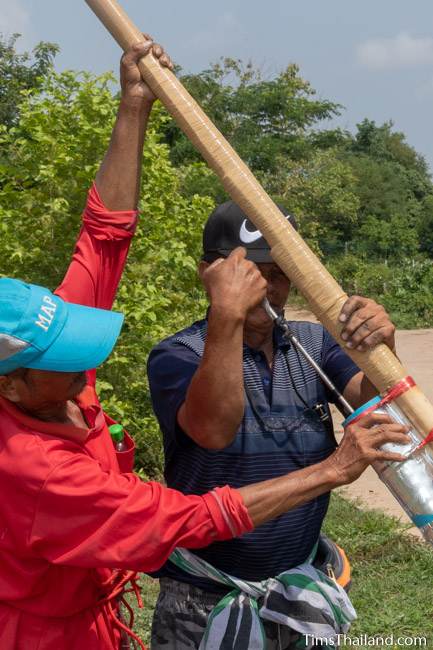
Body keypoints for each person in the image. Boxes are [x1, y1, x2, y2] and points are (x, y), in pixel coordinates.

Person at [0, 41, 407, 650]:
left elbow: (104, 236)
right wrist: (331, 470)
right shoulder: (34, 466)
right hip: (41, 630)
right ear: (9, 384)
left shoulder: (48, 353)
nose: (86, 365)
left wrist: (133, 105)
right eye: (62, 361)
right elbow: (186, 514)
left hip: (102, 609)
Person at [147, 202, 402, 649]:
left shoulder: (312, 343)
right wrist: (228, 314)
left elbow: (376, 398)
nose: (267, 286)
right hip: (203, 601)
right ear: (207, 272)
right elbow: (213, 430)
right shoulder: (178, 355)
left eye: (281, 271)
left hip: (297, 591)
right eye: (250, 272)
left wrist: (382, 345)